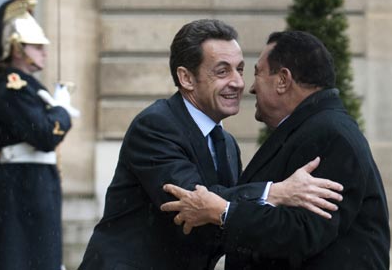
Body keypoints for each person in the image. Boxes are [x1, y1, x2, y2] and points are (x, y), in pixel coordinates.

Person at [78, 20, 342, 270]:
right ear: (186, 78)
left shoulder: (226, 144)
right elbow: (193, 203)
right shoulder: (156, 126)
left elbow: (220, 220)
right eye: (222, 71)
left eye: (239, 69)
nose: (238, 83)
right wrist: (276, 192)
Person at [161, 30, 390, 269]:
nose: (249, 88)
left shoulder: (330, 135)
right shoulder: (312, 129)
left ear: (283, 80)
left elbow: (302, 231)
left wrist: (224, 212)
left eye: (256, 73)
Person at [0, 0, 79, 270]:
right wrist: (63, 112)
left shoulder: (26, 87)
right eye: (35, 45)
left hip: (31, 183)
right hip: (19, 188)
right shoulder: (13, 87)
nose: (44, 50)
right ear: (16, 47)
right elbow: (44, 134)